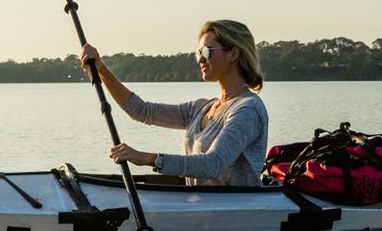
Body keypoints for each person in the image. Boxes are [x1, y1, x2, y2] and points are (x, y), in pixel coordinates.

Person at [79, 20, 268, 187]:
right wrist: (101, 68)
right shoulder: (201, 108)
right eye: (199, 52)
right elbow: (141, 110)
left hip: (238, 213)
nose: (201, 59)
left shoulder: (248, 109)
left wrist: (147, 158)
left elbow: (213, 164)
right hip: (202, 209)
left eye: (207, 51)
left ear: (234, 54)